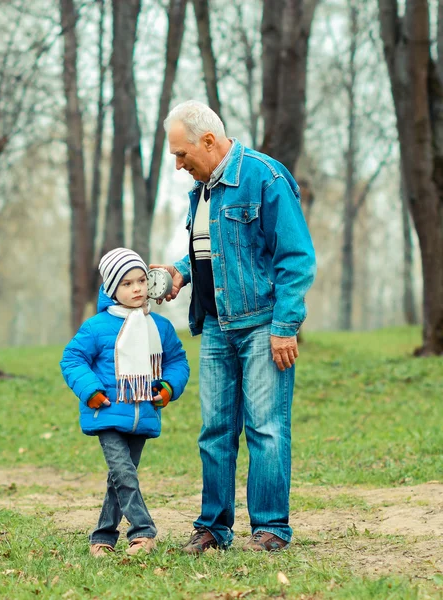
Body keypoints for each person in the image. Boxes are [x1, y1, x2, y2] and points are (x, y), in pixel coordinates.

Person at [153, 100, 316, 553]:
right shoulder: (202, 190)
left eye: (182, 155)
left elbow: (296, 258)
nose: (179, 165)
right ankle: (213, 527)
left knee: (266, 428)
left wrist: (285, 325)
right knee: (215, 430)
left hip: (264, 325)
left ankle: (270, 529)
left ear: (209, 141)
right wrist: (179, 272)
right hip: (216, 326)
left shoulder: (265, 177)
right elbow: (212, 251)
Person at [60, 248, 190, 557]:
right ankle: (143, 531)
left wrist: (169, 387)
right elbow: (73, 359)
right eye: (127, 283)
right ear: (111, 289)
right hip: (106, 412)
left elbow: (178, 362)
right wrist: (90, 389)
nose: (137, 289)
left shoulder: (159, 327)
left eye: (142, 281)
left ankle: (102, 537)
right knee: (124, 473)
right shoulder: (97, 327)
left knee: (119, 478)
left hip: (143, 412)